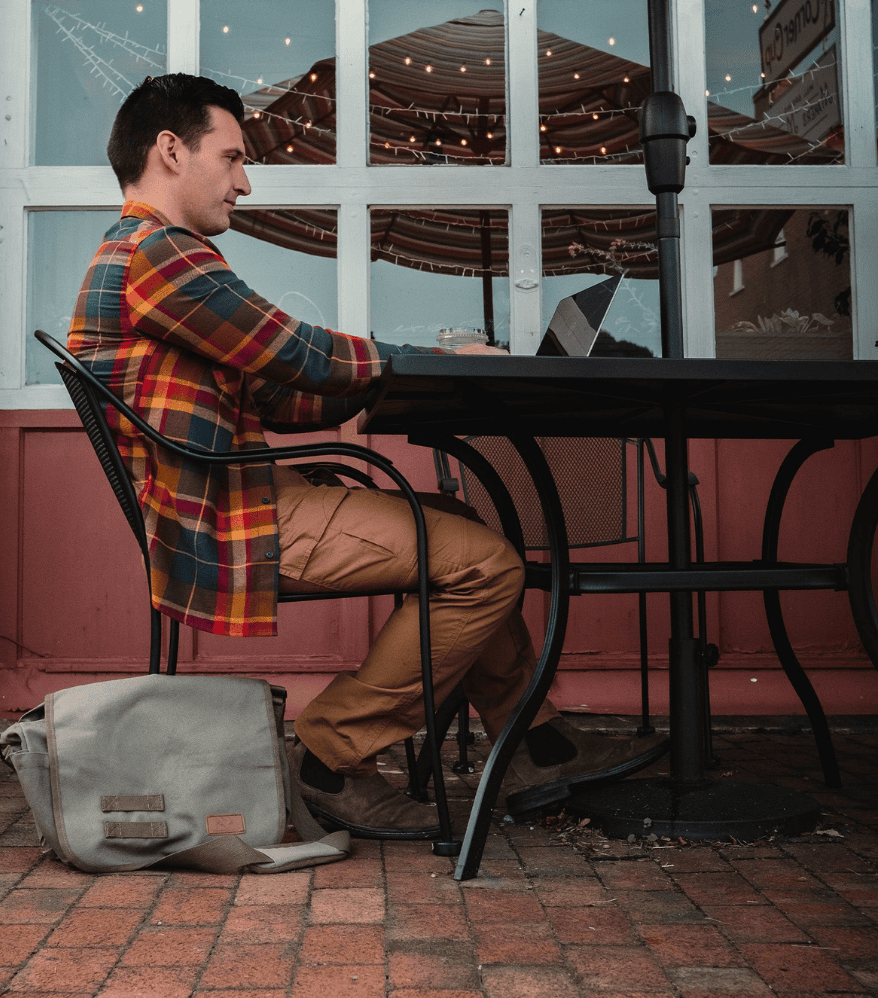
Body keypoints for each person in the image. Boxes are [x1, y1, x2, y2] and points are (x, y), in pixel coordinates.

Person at [67, 73, 667, 839]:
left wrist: (391, 374)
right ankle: (326, 759)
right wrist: (421, 356)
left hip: (228, 500)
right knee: (487, 567)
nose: (245, 183)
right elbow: (296, 351)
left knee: (454, 522)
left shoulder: (147, 258)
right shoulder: (160, 255)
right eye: (233, 157)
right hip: (230, 517)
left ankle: (538, 743)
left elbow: (279, 395)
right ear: (171, 151)